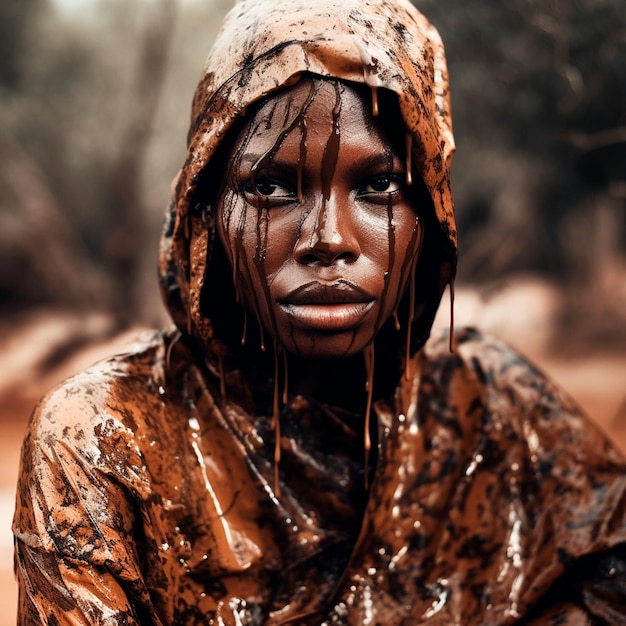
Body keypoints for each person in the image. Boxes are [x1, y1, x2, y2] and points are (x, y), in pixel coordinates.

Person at [12, 0, 626, 623]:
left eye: (379, 186)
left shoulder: (490, 412)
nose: (329, 238)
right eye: (272, 187)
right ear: (207, 208)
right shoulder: (108, 441)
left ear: (431, 212)